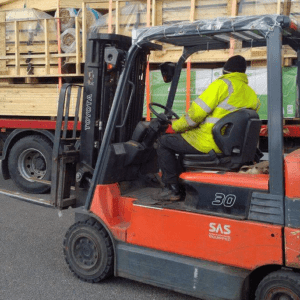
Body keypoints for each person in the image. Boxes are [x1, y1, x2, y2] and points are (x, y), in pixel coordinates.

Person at [155, 55, 260, 201]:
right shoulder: (251, 94)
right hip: (229, 145)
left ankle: (172, 189)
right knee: (175, 142)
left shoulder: (222, 85)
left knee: (164, 142)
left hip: (208, 141)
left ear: (225, 70)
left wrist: (176, 126)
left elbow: (195, 114)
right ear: (243, 72)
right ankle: (181, 183)